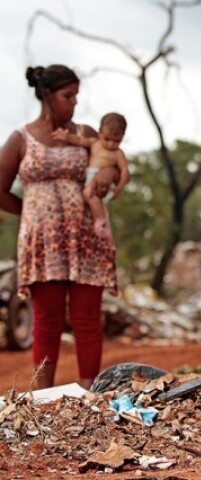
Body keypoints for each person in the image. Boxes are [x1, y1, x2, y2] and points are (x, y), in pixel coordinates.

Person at [0, 65, 118, 390]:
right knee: (48, 322)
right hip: (43, 243)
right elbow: (0, 186)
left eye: (77, 96)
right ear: (47, 96)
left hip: (86, 238)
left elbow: (110, 165)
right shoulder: (20, 139)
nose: (74, 103)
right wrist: (30, 213)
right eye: (68, 96)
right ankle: (44, 399)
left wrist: (108, 178)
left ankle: (90, 395)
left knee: (87, 320)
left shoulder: (86, 135)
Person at [53, 112, 129, 241]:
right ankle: (98, 218)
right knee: (89, 195)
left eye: (117, 141)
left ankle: (100, 219)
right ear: (100, 133)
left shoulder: (118, 154)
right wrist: (65, 136)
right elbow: (79, 140)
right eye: (107, 139)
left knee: (88, 194)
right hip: (91, 176)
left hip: (102, 183)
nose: (111, 144)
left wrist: (119, 188)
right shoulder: (95, 143)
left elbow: (125, 171)